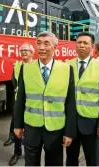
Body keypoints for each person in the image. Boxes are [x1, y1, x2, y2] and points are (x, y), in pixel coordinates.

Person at [13, 31, 76, 166]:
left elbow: (71, 103)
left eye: (46, 44)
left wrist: (69, 132)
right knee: (30, 163)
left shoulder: (67, 69)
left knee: (54, 163)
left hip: (55, 129)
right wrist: (17, 125)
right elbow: (20, 99)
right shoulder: (26, 69)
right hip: (32, 127)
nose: (41, 47)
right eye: (39, 43)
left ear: (55, 47)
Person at [66, 32, 99, 166]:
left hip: (91, 124)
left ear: (92, 47)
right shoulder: (67, 65)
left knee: (92, 161)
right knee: (70, 160)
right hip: (71, 124)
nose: (81, 45)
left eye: (85, 43)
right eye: (79, 42)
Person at [4, 43, 34, 166]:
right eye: (21, 50)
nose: (23, 53)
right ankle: (17, 152)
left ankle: (30, 153)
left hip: (32, 102)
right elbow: (13, 81)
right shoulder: (17, 65)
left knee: (30, 130)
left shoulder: (36, 66)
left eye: (26, 50)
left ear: (32, 53)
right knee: (17, 128)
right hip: (19, 101)